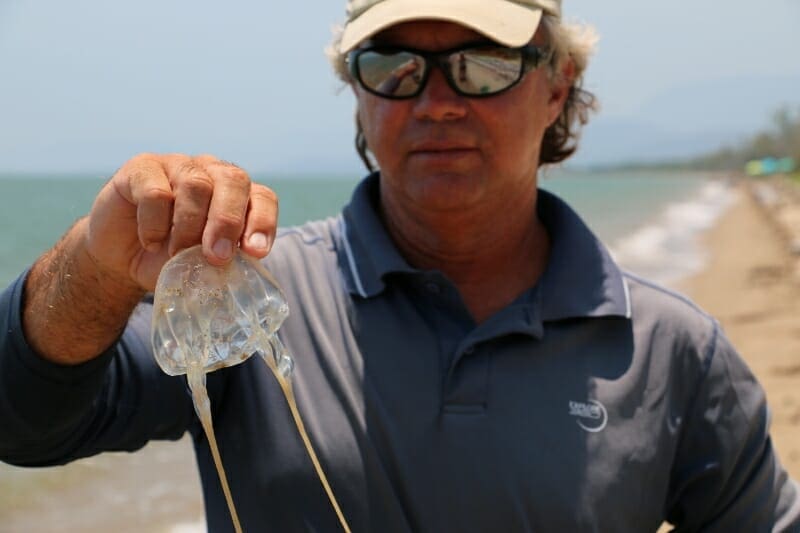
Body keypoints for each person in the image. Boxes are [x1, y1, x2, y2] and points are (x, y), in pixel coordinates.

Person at [1, 0, 799, 531]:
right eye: (394, 66)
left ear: (558, 88)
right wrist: (98, 266)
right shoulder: (256, 300)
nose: (437, 101)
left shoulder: (672, 351)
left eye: (482, 64)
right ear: (357, 91)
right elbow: (24, 421)